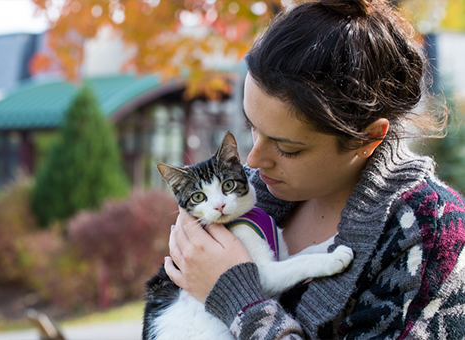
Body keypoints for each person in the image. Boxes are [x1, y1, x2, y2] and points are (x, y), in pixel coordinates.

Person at [163, 0, 465, 338]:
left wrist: (239, 301)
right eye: (252, 126)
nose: (253, 160)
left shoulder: (430, 234)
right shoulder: (247, 192)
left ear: (369, 137)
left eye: (288, 148)